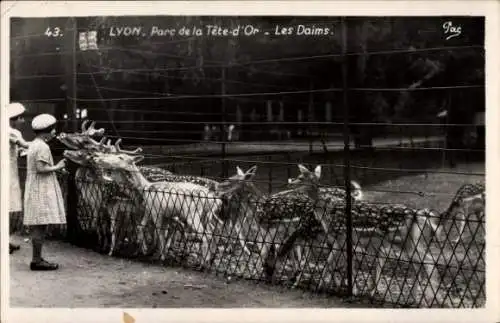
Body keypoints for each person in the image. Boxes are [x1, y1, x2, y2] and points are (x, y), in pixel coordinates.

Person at [24, 113, 66, 271]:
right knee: (39, 224)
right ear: (47, 130)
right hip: (40, 187)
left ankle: (37, 257)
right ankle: (36, 260)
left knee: (38, 224)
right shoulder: (43, 146)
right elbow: (41, 169)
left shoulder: (34, 144)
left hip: (34, 185)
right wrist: (58, 166)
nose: (54, 132)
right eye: (53, 129)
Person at [8, 102, 30, 254]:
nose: (23, 122)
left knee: (10, 207)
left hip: (11, 171)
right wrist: (42, 140)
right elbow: (25, 145)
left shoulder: (13, 132)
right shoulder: (11, 131)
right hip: (8, 173)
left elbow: (19, 149)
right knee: (9, 207)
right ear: (14, 118)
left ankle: (6, 239)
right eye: (21, 118)